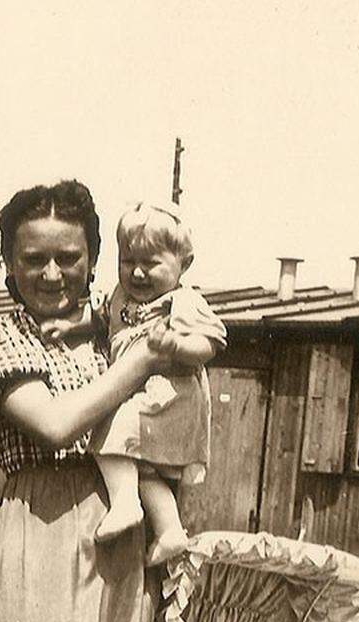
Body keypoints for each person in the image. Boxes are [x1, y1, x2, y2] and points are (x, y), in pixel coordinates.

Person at [0, 180, 173, 622]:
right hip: (40, 529)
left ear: (94, 260)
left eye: (69, 258)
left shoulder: (116, 338)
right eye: (34, 259)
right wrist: (140, 363)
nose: (52, 274)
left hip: (124, 533)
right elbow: (55, 426)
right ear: (9, 264)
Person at [42, 201, 226, 567]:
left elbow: (212, 342)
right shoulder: (120, 297)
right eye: (129, 262)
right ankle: (170, 530)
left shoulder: (183, 302)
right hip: (141, 396)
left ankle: (125, 504)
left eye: (151, 264)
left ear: (183, 265)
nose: (138, 274)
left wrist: (178, 345)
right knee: (142, 468)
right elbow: (97, 319)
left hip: (169, 395)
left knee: (107, 424)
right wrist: (70, 327)